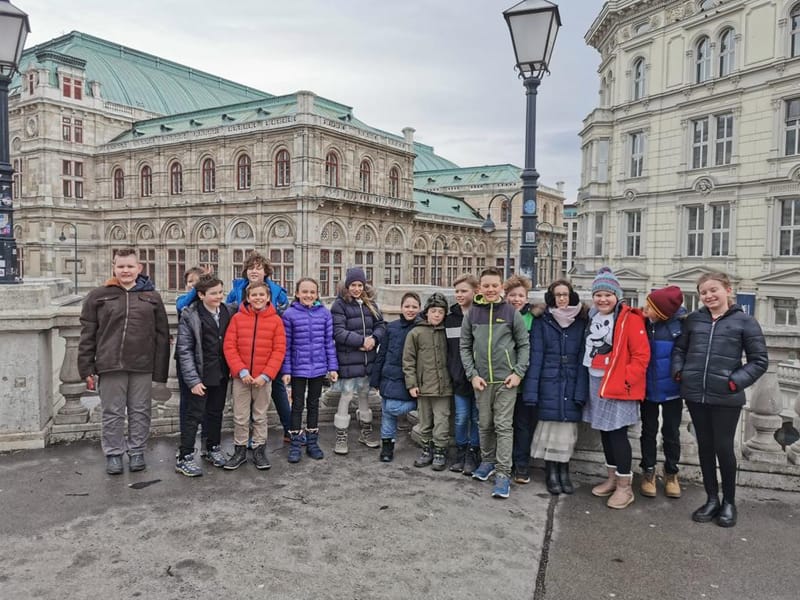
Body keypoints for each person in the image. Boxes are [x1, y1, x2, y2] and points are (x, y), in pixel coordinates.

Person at [672, 272, 768, 528]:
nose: (708, 296)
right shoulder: (693, 320)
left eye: (713, 290)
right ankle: (712, 499)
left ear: (728, 290)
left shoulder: (745, 322)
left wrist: (734, 382)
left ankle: (729, 502)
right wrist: (680, 371)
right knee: (705, 447)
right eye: (703, 292)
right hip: (696, 395)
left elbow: (759, 361)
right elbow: (679, 349)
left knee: (724, 448)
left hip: (726, 397)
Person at [182, 252, 293, 443]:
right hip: (242, 353)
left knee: (276, 393)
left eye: (258, 268)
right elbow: (226, 312)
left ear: (266, 272)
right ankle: (243, 440)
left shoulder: (277, 291)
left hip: (266, 353)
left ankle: (288, 429)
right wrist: (201, 283)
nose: (254, 271)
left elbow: (283, 318)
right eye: (250, 268)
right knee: (242, 404)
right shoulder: (237, 290)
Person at [78, 247, 170, 475]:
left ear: (139, 268)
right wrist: (86, 367)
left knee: (141, 411)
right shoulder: (98, 296)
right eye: (121, 266)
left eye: (130, 266)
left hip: (142, 365)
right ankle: (114, 453)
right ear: (114, 267)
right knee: (112, 412)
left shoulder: (152, 297)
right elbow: (88, 334)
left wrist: (160, 373)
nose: (125, 270)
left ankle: (137, 451)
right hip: (110, 364)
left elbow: (162, 336)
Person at [582, 267, 650, 510]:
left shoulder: (630, 318)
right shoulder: (592, 315)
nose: (603, 299)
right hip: (595, 380)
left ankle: (624, 486)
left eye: (608, 295)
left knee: (618, 434)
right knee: (605, 432)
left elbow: (641, 355)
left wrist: (625, 380)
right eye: (598, 295)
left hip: (617, 383)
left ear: (617, 296)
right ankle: (612, 478)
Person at [460, 267, 530, 499]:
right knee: (484, 424)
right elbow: (465, 346)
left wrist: (518, 372)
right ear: (479, 288)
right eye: (486, 286)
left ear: (501, 287)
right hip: (481, 380)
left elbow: (524, 345)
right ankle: (488, 461)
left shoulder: (511, 312)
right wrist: (472, 374)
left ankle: (503, 472)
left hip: (506, 380)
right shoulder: (472, 313)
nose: (490, 289)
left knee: (503, 426)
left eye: (494, 286)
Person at [522, 279, 589, 495]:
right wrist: (531, 392)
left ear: (571, 296)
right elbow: (536, 357)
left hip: (571, 380)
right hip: (548, 381)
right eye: (558, 295)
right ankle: (551, 472)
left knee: (567, 431)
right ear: (552, 297)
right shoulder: (543, 321)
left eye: (565, 294)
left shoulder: (581, 321)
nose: (561, 299)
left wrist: (581, 391)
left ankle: (564, 471)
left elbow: (583, 358)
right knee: (550, 428)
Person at [222, 281, 286, 471]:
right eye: (254, 295)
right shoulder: (237, 319)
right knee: (240, 416)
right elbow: (229, 346)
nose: (258, 298)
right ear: (248, 298)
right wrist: (241, 370)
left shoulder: (276, 321)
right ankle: (240, 450)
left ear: (268, 297)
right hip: (241, 378)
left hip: (263, 378)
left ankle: (259, 449)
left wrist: (266, 375)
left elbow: (279, 350)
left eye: (261, 295)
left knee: (260, 416)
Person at [174, 275, 234, 477]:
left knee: (216, 412)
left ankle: (212, 447)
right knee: (193, 415)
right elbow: (184, 350)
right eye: (213, 293)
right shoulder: (190, 315)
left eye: (221, 292)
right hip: (200, 374)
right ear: (200, 295)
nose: (219, 296)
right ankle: (185, 456)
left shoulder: (227, 311)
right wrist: (193, 381)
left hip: (220, 372)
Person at [281, 277, 338, 463]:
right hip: (298, 367)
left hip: (318, 367)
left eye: (312, 292)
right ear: (297, 293)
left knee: (314, 404)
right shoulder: (289, 314)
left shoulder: (325, 314)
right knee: (297, 405)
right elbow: (286, 346)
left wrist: (332, 367)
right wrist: (286, 371)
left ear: (317, 294)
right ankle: (295, 443)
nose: (308, 295)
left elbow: (329, 343)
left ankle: (312, 442)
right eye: (304, 292)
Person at [331, 267, 386, 455]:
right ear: (347, 286)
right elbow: (338, 332)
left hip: (367, 360)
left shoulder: (370, 304)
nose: (356, 289)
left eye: (360, 285)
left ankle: (365, 431)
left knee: (364, 395)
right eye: (353, 285)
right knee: (346, 395)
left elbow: (380, 325)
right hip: (348, 359)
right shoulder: (339, 305)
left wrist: (374, 339)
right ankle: (341, 435)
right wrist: (361, 341)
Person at [639, 285, 686, 499]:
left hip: (673, 390)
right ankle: (648, 471)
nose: (645, 309)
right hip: (648, 388)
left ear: (661, 312)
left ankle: (671, 473)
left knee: (671, 432)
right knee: (648, 431)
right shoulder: (644, 323)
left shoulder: (680, 326)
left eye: (650, 307)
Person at [403, 293, 453, 470]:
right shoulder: (416, 333)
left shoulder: (447, 331)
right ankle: (426, 449)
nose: (437, 315)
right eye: (433, 311)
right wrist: (412, 384)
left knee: (442, 421)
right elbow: (408, 360)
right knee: (425, 422)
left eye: (440, 312)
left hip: (444, 387)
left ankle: (440, 451)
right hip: (423, 387)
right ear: (427, 312)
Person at [372, 292, 422, 463]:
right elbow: (382, 353)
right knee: (387, 412)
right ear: (401, 308)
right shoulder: (391, 327)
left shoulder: (421, 328)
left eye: (414, 307)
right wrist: (376, 378)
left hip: (406, 377)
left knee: (392, 408)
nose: (410, 310)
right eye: (407, 306)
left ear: (419, 309)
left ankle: (421, 403)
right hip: (388, 375)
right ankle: (387, 445)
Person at [505, 274, 541, 485]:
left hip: (525, 382)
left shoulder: (533, 319)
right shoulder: (500, 316)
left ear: (527, 298)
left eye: (520, 296)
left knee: (523, 426)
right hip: (503, 381)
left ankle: (521, 464)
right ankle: (504, 462)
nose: (516, 299)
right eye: (512, 295)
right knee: (503, 425)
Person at [445, 274, 480, 475]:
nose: (459, 295)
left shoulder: (482, 315)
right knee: (461, 417)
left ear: (475, 292)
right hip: (458, 378)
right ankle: (460, 451)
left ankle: (472, 453)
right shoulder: (450, 319)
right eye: (457, 291)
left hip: (479, 378)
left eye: (464, 291)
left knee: (476, 418)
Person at [175, 266, 205, 439]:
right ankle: (185, 437)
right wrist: (199, 286)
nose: (192, 285)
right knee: (186, 401)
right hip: (186, 359)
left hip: (205, 358)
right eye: (190, 282)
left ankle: (206, 437)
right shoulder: (182, 301)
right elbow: (183, 304)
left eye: (197, 282)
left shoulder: (209, 304)